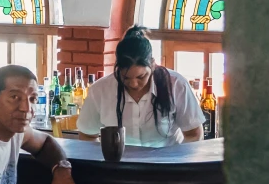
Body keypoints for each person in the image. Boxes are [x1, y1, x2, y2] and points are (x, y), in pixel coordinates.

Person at [77, 26, 205, 147]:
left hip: (167, 165)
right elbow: (87, 136)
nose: (133, 84)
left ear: (153, 64)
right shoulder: (100, 90)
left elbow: (194, 134)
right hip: (119, 166)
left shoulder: (176, 85)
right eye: (125, 77)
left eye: (141, 77)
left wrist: (178, 165)